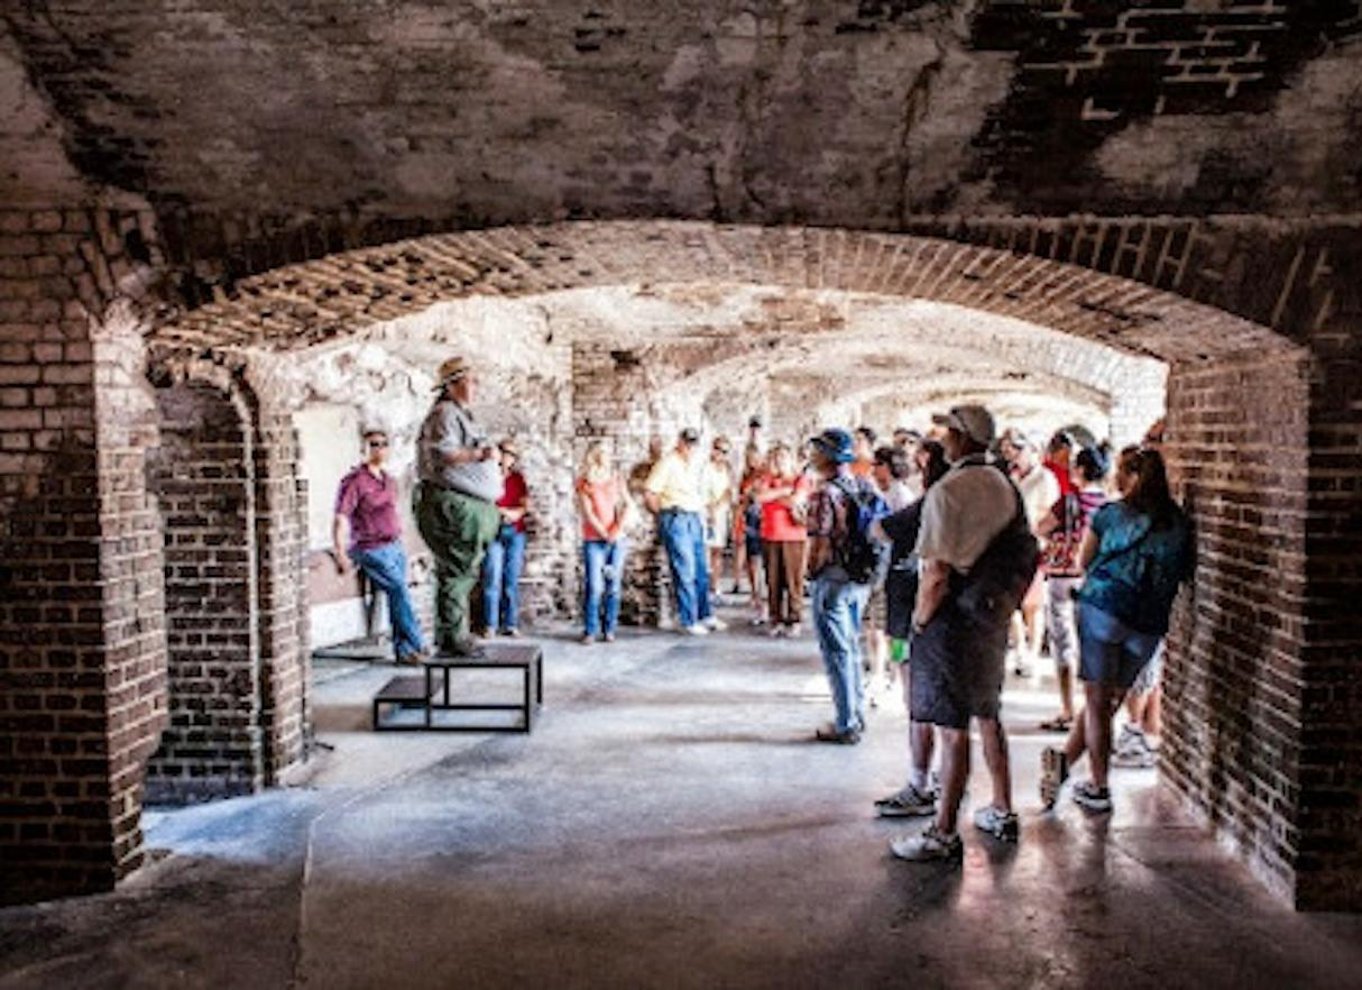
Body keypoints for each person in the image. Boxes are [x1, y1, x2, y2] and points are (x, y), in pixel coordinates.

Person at [890, 405, 1019, 862]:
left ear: (962, 439)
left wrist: (921, 622)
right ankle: (1002, 806)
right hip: (990, 617)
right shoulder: (1005, 484)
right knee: (987, 714)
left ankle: (943, 830)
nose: (942, 438)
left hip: (951, 621)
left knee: (950, 729)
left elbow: (937, 572)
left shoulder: (949, 490)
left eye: (948, 431)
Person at [1040, 445, 1194, 814]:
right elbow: (1186, 570)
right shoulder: (1179, 522)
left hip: (1104, 610)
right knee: (1110, 702)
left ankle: (1098, 785)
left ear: (1129, 476)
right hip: (1149, 621)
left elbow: (1086, 560)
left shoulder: (1111, 515)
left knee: (1096, 702)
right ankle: (1064, 764)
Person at [872, 439, 950, 818]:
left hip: (912, 615)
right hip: (945, 618)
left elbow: (882, 530)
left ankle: (922, 783)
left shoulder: (932, 503)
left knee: (916, 697)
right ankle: (944, 778)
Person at [414, 357, 504, 658]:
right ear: (452, 384)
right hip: (453, 503)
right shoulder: (445, 414)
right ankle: (453, 637)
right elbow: (444, 452)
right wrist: (481, 454)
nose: (476, 385)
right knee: (456, 571)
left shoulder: (460, 414)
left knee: (461, 571)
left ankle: (454, 633)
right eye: (471, 380)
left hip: (467, 503)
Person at [805, 428, 880, 744]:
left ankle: (846, 722)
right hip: (858, 577)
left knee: (836, 651)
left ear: (826, 456)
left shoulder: (825, 494)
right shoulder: (862, 485)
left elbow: (820, 542)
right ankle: (856, 713)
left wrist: (811, 573)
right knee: (850, 646)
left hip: (833, 576)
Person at [332, 427, 429, 665]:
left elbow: (393, 514)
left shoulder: (389, 481)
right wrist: (341, 552)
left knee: (399, 596)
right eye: (373, 444)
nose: (379, 449)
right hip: (370, 547)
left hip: (394, 545)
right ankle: (417, 644)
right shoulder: (354, 482)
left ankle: (405, 651)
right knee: (399, 590)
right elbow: (341, 517)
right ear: (363, 449)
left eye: (383, 444)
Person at [1035, 445, 1110, 733]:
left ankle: (1068, 708)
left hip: (1063, 574)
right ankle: (1091, 706)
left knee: (1064, 642)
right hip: (1095, 577)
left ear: (1079, 470)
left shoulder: (1068, 502)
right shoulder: (1107, 504)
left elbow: (1042, 528)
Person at [644, 428, 723, 636]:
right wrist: (664, 515)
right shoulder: (667, 463)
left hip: (694, 517)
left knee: (700, 569)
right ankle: (689, 619)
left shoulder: (695, 464)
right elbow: (650, 493)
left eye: (693, 444)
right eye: (687, 443)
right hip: (676, 516)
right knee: (684, 569)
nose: (690, 447)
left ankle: (705, 614)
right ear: (679, 442)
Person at [1001, 429, 1059, 678]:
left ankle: (1033, 653)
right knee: (1010, 601)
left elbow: (1052, 514)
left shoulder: (1045, 479)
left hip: (1035, 545)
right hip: (1010, 544)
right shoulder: (1010, 478)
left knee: (1032, 604)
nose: (1014, 455)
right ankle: (1020, 648)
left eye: (1018, 450)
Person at [864, 445, 915, 703]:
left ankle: (895, 676)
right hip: (879, 571)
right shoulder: (880, 493)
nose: (874, 470)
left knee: (894, 631)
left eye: (878, 465)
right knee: (874, 627)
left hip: (894, 572)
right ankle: (878, 673)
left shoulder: (900, 496)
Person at [577, 440, 633, 644]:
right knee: (595, 586)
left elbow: (627, 504)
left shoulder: (616, 478)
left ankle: (609, 628)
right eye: (604, 452)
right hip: (594, 539)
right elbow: (588, 512)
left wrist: (616, 530)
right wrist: (603, 533)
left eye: (609, 452)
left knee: (614, 585)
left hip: (617, 539)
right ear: (596, 455)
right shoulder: (585, 481)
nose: (608, 456)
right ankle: (590, 630)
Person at [754, 443, 810, 637]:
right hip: (770, 534)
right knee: (773, 580)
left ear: (790, 459)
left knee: (793, 580)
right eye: (776, 458)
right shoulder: (766, 478)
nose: (779, 461)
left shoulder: (800, 479)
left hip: (794, 536)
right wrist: (783, 493)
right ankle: (775, 617)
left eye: (783, 457)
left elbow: (797, 500)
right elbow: (759, 497)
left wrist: (775, 497)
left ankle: (795, 618)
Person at [479, 439, 530, 637]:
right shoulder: (486, 477)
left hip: (515, 533)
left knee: (511, 579)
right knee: (492, 578)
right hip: (493, 532)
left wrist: (515, 513)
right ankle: (490, 624)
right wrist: (502, 511)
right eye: (505, 453)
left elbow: (525, 505)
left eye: (512, 455)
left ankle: (510, 623)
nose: (508, 458)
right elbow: (482, 504)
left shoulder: (517, 479)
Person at [736, 445, 768, 623]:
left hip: (762, 520)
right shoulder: (745, 476)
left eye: (754, 457)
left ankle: (765, 604)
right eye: (749, 457)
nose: (752, 461)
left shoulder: (765, 474)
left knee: (763, 564)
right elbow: (742, 500)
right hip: (750, 521)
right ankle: (756, 598)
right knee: (752, 562)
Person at [703, 436, 735, 599]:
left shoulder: (727, 469)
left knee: (718, 551)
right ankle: (704, 587)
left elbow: (729, 491)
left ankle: (716, 586)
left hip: (721, 513)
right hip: (706, 511)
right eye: (717, 449)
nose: (720, 453)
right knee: (705, 550)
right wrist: (709, 510)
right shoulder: (705, 468)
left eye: (724, 451)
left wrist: (719, 507)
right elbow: (701, 489)